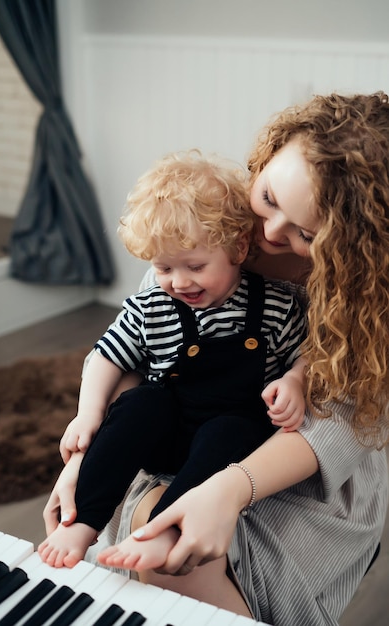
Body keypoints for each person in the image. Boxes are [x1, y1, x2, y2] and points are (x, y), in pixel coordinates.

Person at [42, 92, 389, 626]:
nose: (269, 235)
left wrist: (232, 487)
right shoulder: (194, 236)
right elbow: (138, 351)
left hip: (301, 452)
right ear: (269, 154)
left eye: (306, 233)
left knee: (183, 558)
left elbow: (331, 420)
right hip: (181, 424)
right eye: (269, 196)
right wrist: (87, 457)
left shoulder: (351, 302)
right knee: (138, 512)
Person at [38, 150, 307, 570]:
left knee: (230, 428)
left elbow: (308, 355)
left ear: (237, 248)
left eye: (195, 266)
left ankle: (168, 527)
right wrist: (87, 415)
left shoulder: (275, 305)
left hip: (230, 444)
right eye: (163, 268)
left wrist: (294, 380)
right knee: (141, 403)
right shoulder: (151, 306)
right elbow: (106, 355)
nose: (179, 282)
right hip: (167, 433)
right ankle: (84, 522)